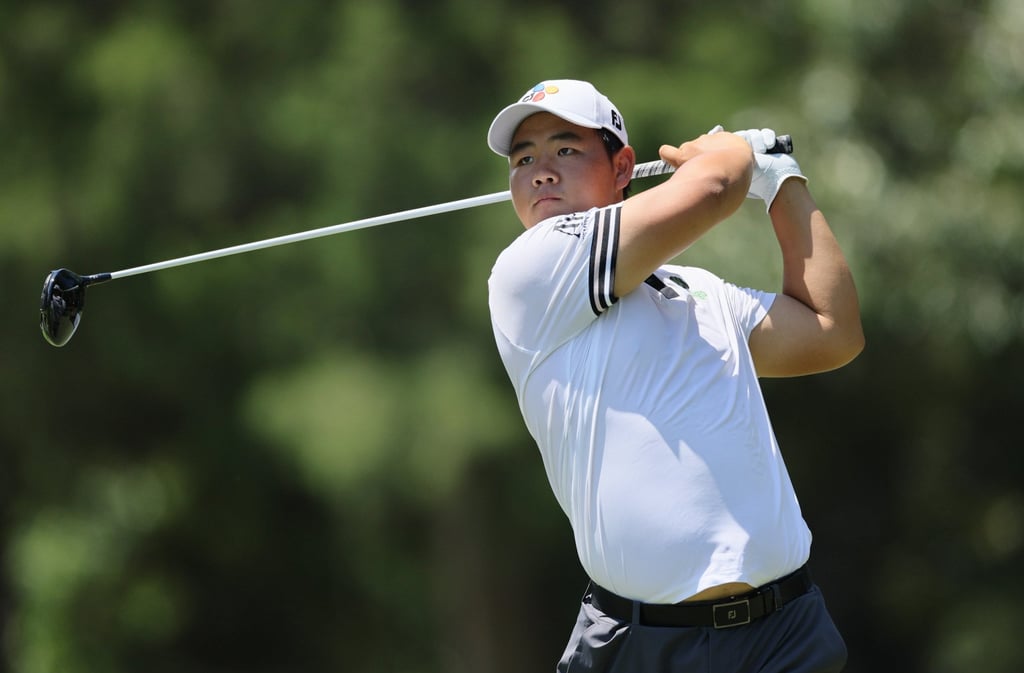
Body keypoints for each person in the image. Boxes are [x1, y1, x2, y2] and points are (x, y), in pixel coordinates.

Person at [485, 79, 864, 673]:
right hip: (642, 646)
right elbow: (714, 186)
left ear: (623, 167)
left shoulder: (698, 290)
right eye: (523, 159)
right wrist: (736, 153)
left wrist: (780, 179)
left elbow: (832, 330)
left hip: (785, 636)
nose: (540, 171)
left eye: (565, 149)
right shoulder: (530, 272)